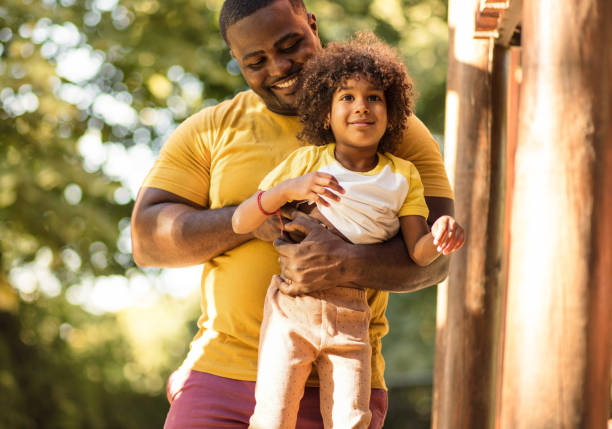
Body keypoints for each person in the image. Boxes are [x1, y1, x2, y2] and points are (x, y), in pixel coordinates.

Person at [130, 0, 456, 428]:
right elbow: (148, 240)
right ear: (236, 61)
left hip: (337, 383)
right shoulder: (212, 129)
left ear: (312, 25)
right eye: (256, 61)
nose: (280, 66)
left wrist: (344, 263)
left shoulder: (387, 124)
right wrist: (250, 219)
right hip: (219, 374)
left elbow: (438, 258)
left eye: (290, 45)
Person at [231, 32, 464, 429]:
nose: (361, 107)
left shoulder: (402, 176)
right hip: (292, 307)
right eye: (347, 98)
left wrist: (440, 236)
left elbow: (417, 251)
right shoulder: (307, 161)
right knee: (272, 416)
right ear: (326, 112)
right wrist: (289, 189)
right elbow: (241, 222)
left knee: (352, 419)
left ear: (391, 113)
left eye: (374, 97)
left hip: (352, 313)